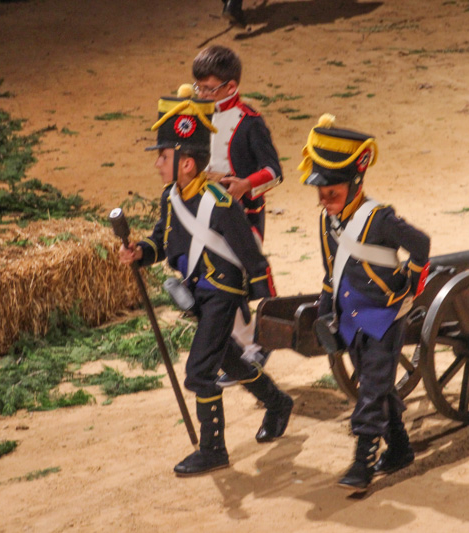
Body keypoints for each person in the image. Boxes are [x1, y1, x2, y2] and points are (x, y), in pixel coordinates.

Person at [119, 86, 293, 476]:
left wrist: (262, 303)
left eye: (164, 157)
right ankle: (278, 402)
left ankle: (213, 449)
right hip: (198, 293)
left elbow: (250, 255)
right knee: (228, 358)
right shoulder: (171, 197)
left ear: (186, 163)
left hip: (223, 293)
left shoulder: (221, 202)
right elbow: (163, 240)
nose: (157, 164)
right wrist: (141, 253)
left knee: (199, 371)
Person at [299, 114, 430, 491]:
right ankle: (401, 447)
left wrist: (410, 281)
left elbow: (420, 245)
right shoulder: (329, 222)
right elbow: (331, 271)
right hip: (351, 319)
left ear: (355, 184)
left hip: (385, 316)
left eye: (332, 194)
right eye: (321, 195)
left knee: (370, 392)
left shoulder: (379, 218)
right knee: (379, 387)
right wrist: (327, 313)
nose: (325, 202)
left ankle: (363, 462)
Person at [192, 45, 283, 385]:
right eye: (199, 88)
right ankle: (234, 348)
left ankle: (254, 345)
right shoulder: (198, 116)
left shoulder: (250, 122)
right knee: (212, 276)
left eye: (208, 88)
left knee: (235, 277)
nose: (202, 94)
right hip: (206, 209)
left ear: (231, 87)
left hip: (242, 213)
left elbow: (274, 171)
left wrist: (245, 184)